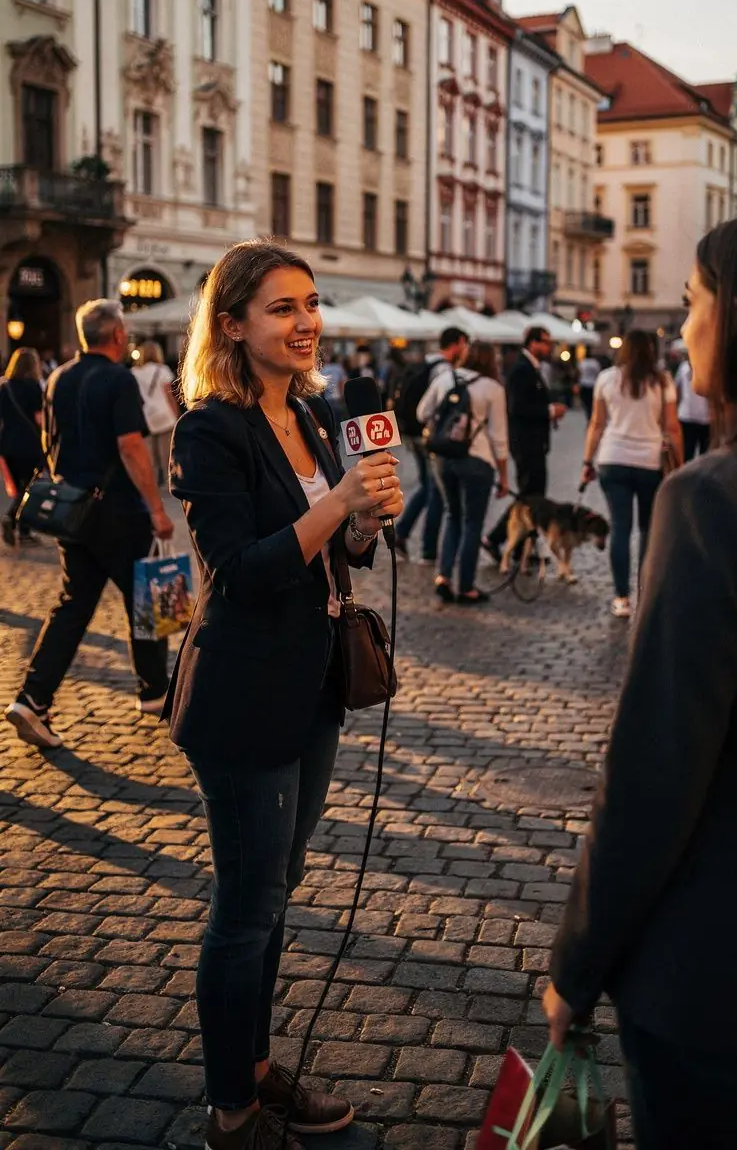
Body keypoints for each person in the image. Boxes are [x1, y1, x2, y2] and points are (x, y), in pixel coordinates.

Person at [544, 211, 737, 1149]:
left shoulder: (716, 500)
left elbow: (657, 771)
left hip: (724, 979)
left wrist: (577, 961)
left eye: (693, 301)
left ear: (736, 315)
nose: (686, 324)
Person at [164, 239, 403, 1150]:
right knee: (246, 902)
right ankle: (232, 1108)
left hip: (315, 687)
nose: (305, 322)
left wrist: (364, 523)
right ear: (232, 324)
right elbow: (243, 569)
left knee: (278, 886)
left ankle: (258, 1066)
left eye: (311, 303)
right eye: (281, 308)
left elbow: (336, 553)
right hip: (242, 694)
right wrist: (338, 506)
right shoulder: (209, 429)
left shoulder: (319, 410)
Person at [4, 299, 174, 750]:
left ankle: (32, 698)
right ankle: (155, 692)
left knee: (73, 604)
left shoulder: (58, 376)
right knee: (147, 598)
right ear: (117, 335)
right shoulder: (118, 379)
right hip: (119, 510)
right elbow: (132, 447)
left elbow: (48, 439)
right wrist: (158, 509)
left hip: (73, 513)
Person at [582, 330, 682, 618]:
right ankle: (647, 593)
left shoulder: (606, 378)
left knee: (620, 530)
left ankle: (621, 598)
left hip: (613, 459)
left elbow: (596, 424)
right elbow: (672, 427)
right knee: (649, 531)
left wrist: (587, 460)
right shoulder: (661, 381)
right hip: (650, 462)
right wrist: (680, 463)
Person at [417, 339, 508, 604]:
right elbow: (499, 437)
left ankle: (443, 577)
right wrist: (504, 476)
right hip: (477, 460)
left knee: (452, 515)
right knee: (472, 522)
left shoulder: (446, 378)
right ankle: (466, 585)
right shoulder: (492, 388)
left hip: (444, 457)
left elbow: (422, 413)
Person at [483, 326, 566, 562]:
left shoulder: (531, 367)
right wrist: (549, 411)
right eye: (545, 342)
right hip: (526, 442)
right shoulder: (522, 369)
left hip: (533, 442)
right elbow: (517, 407)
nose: (549, 347)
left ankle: (521, 547)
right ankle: (496, 538)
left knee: (533, 497)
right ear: (532, 343)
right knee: (530, 498)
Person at [393, 327, 469, 561]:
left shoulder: (427, 362)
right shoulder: (444, 371)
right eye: (464, 344)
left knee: (429, 487)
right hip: (430, 438)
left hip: (413, 434)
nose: (466, 350)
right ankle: (426, 547)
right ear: (456, 344)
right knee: (434, 489)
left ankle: (404, 534)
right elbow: (432, 409)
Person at [0, 347, 44, 547]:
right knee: (30, 488)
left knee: (20, 486)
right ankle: (14, 520)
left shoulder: (4, 387)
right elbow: (39, 418)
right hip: (29, 443)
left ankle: (22, 528)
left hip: (8, 443)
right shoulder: (33, 387)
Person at [131, 340, 180, 484]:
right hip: (165, 415)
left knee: (149, 454)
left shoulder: (134, 372)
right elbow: (168, 395)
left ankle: (151, 483)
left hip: (145, 416)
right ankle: (168, 482)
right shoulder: (163, 370)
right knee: (167, 453)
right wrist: (176, 414)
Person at [675, 352, 710, 460]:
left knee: (687, 452)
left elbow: (677, 388)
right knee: (705, 453)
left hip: (686, 415)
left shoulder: (683, 368)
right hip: (705, 417)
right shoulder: (708, 367)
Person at [578, 352, 602, 419]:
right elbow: (598, 372)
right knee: (592, 402)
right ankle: (591, 415)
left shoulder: (582, 362)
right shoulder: (595, 363)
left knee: (586, 402)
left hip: (584, 383)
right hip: (593, 384)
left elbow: (579, 372)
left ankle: (588, 415)